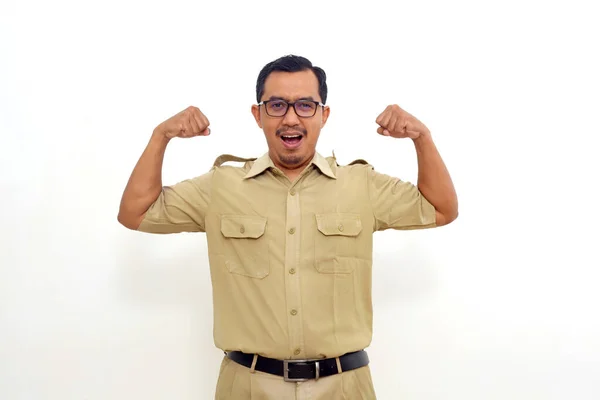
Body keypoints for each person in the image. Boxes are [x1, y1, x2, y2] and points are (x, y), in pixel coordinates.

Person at [117, 54, 458, 399]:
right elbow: (136, 213)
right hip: (248, 386)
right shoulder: (221, 187)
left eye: (306, 105)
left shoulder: (361, 185)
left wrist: (422, 138)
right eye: (277, 105)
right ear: (258, 115)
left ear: (324, 115)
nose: (291, 118)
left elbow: (441, 209)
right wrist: (161, 136)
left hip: (344, 387)